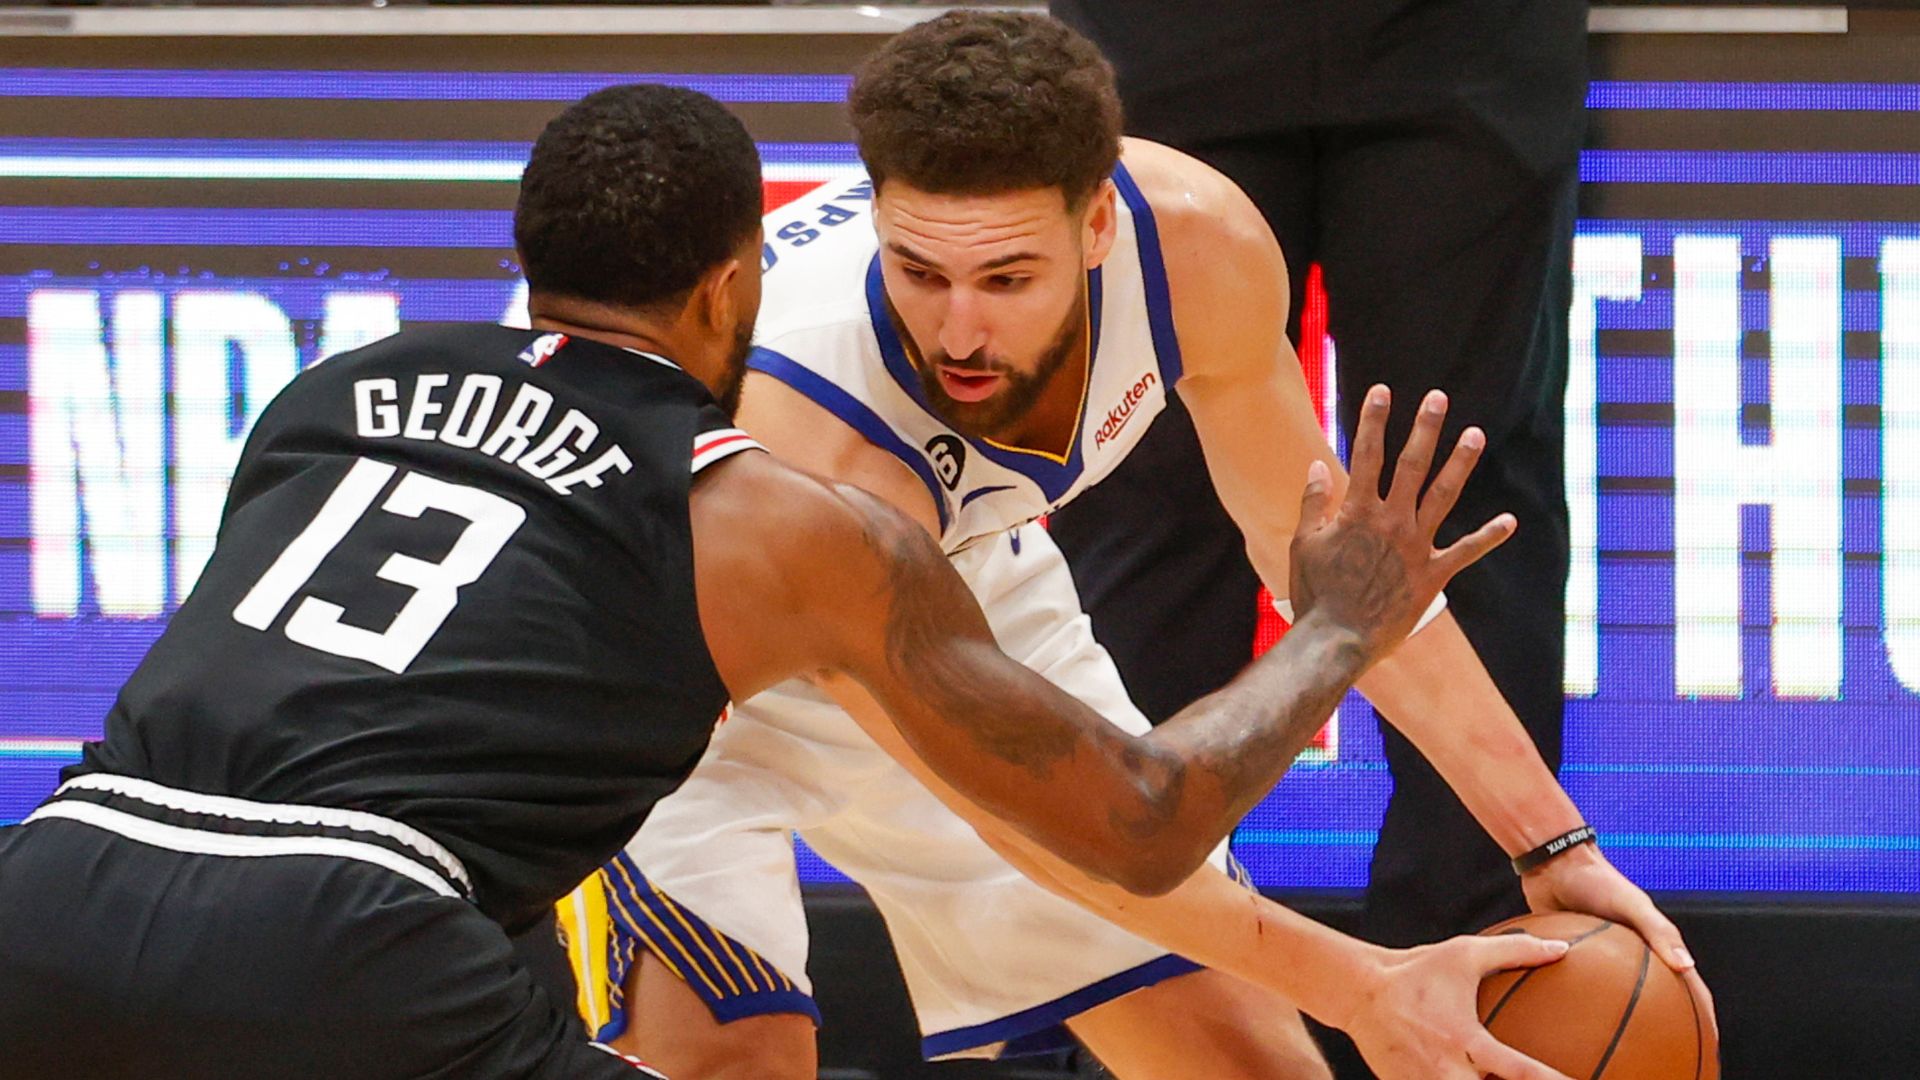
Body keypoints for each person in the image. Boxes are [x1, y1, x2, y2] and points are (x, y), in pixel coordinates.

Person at [0, 83, 1523, 1080]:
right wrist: (1335, 629)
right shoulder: (773, 501)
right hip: (359, 935)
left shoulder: (331, 390)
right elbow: (1128, 819)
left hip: (56, 882)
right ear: (740, 278)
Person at [577, 13, 1707, 1080]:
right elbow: (1048, 822)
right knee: (737, 1056)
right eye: (920, 273)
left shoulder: (1195, 242)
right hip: (681, 686)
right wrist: (1366, 987)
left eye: (1009, 278)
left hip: (965, 592)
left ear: (1100, 223)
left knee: (1247, 1059)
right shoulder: (814, 436)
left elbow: (1336, 579)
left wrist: (1551, 845)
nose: (961, 328)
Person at [1049, 0, 1587, 955]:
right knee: (1143, 475)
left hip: (1460, 41)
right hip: (1164, 39)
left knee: (1457, 490)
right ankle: (1134, 959)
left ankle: (1479, 961)